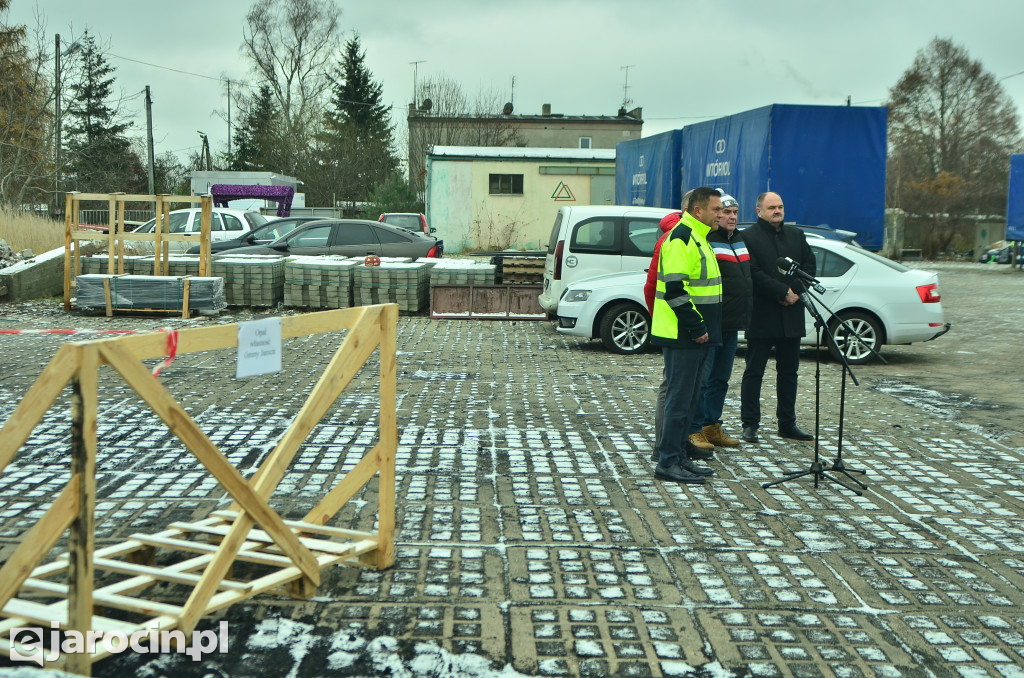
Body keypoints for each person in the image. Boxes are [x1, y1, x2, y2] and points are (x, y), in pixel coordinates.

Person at [651, 187, 723, 484]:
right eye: (716, 209)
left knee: (691, 399)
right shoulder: (681, 238)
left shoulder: (699, 237)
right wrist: (697, 327)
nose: (721, 214)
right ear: (698, 211)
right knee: (679, 401)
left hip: (697, 334)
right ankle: (667, 461)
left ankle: (680, 455)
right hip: (684, 334)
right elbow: (676, 290)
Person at [739, 191, 816, 443]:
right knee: (754, 371)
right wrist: (781, 292)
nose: (777, 211)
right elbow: (752, 272)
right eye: (772, 207)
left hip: (791, 315)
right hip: (763, 314)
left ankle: (787, 423)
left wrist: (794, 291)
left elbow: (809, 267)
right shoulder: (747, 237)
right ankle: (750, 424)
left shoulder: (796, 235)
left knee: (789, 373)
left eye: (780, 206)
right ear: (759, 211)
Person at [688, 193, 751, 449]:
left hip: (732, 323)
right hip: (712, 321)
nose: (731, 217)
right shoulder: (707, 240)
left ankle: (712, 425)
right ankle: (696, 427)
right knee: (702, 380)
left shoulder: (740, 239)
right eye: (725, 212)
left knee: (721, 380)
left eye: (735, 212)